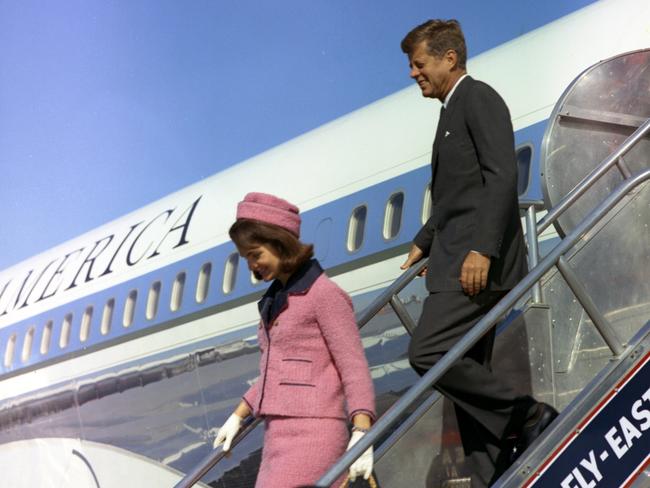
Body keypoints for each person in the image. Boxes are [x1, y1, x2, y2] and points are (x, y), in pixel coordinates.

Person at [398, 20, 558, 486]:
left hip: (473, 266)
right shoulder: (450, 111)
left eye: (419, 63)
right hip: (454, 257)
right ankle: (494, 474)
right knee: (466, 382)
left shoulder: (477, 97)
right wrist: (424, 241)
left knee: (428, 352)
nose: (413, 74)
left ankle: (526, 415)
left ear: (450, 59)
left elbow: (502, 176)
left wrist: (482, 250)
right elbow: (456, 197)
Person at [213, 192, 376, 488]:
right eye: (246, 258)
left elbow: (353, 366)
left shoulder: (324, 295)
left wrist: (363, 431)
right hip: (276, 434)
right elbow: (277, 372)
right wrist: (238, 415)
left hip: (315, 432)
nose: (251, 266)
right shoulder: (275, 300)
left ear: (278, 243)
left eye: (255, 254)